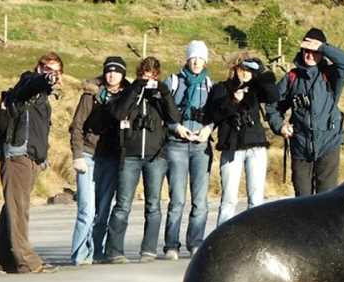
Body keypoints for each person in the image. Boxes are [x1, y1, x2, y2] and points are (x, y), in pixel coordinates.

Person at [0, 52, 64, 274]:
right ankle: (26, 260)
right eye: (46, 68)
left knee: (12, 208)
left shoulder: (42, 98)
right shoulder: (27, 83)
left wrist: (41, 159)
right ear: (38, 68)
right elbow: (30, 85)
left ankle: (0, 260)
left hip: (31, 159)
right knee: (19, 209)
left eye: (56, 71)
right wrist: (43, 79)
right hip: (17, 157)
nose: (50, 73)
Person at [104, 57, 181, 263]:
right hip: (129, 155)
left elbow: (175, 118)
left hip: (156, 156)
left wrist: (163, 93)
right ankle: (115, 251)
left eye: (152, 75)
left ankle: (148, 249)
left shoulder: (160, 96)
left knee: (153, 205)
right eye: (144, 75)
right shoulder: (129, 93)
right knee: (122, 205)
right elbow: (119, 113)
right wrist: (136, 88)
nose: (148, 79)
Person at [265, 28, 344, 196]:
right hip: (300, 147)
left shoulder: (332, 74)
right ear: (302, 50)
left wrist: (322, 47)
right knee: (302, 201)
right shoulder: (292, 77)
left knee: (326, 200)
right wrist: (280, 126)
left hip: (329, 144)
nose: (310, 55)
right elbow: (272, 106)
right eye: (307, 50)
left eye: (315, 51)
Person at [68, 56, 129, 266]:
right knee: (87, 209)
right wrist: (77, 155)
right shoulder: (91, 94)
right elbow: (76, 126)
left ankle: (96, 251)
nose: (112, 75)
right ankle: (79, 254)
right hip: (88, 154)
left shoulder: (127, 96)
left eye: (116, 71)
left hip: (111, 158)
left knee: (103, 210)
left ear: (123, 74)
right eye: (108, 71)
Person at [206, 53, 279, 225]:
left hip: (256, 147)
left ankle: (255, 237)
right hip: (231, 147)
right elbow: (215, 113)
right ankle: (222, 238)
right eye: (242, 68)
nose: (245, 72)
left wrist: (260, 72)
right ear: (234, 68)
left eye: (249, 69)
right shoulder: (221, 88)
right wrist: (233, 100)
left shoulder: (255, 88)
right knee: (229, 199)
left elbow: (273, 95)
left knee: (256, 199)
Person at [162, 41, 214, 260]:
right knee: (177, 199)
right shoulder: (173, 82)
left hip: (201, 146)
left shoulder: (210, 85)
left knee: (200, 199)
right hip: (176, 145)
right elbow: (164, 112)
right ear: (187, 58)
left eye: (200, 58)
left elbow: (216, 113)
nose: (196, 62)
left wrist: (208, 129)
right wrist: (177, 127)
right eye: (193, 57)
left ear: (205, 61)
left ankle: (196, 242)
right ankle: (171, 245)